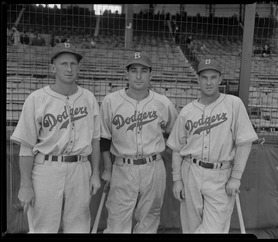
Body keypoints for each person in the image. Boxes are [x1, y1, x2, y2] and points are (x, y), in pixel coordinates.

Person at [10, 42, 101, 233]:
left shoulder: (89, 98)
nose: (69, 68)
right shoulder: (36, 99)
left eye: (73, 64)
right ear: (53, 67)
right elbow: (26, 147)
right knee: (44, 227)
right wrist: (25, 185)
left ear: (79, 67)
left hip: (80, 167)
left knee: (79, 227)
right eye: (63, 63)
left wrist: (95, 173)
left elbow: (95, 140)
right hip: (46, 169)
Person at [166, 59, 258, 233]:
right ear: (198, 80)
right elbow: (177, 149)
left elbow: (244, 143)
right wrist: (177, 179)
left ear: (220, 79)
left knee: (214, 229)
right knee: (190, 228)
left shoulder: (233, 104)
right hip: (191, 171)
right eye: (204, 77)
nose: (209, 82)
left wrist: (236, 177)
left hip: (220, 174)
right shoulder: (187, 111)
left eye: (213, 77)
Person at [99, 51, 178, 233]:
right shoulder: (111, 101)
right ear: (127, 74)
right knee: (117, 223)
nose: (139, 75)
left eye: (144, 70)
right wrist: (108, 169)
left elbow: (174, 133)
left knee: (149, 221)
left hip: (153, 166)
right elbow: (104, 138)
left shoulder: (162, 102)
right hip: (122, 167)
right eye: (134, 70)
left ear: (151, 74)